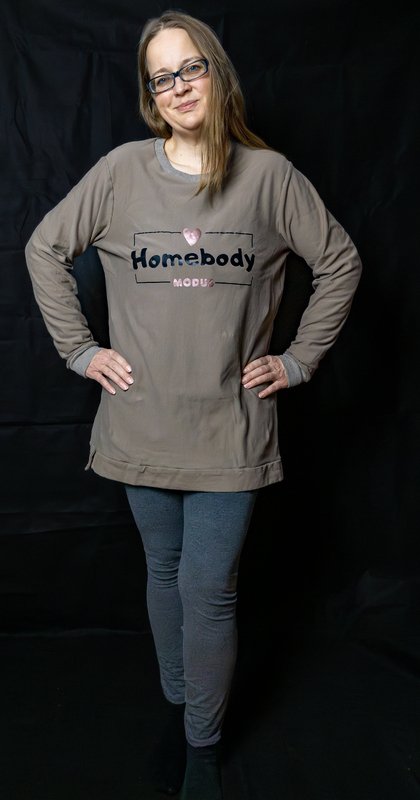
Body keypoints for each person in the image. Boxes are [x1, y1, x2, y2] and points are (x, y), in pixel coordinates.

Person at [24, 9, 362, 799]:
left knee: (209, 590)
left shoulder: (269, 177)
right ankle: (181, 707)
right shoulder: (120, 172)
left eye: (190, 68)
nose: (177, 87)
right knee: (165, 569)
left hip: (229, 430)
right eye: (161, 77)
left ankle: (202, 750)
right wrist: (80, 350)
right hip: (140, 423)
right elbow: (44, 248)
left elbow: (340, 262)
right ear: (151, 95)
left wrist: (299, 360)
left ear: (216, 71)